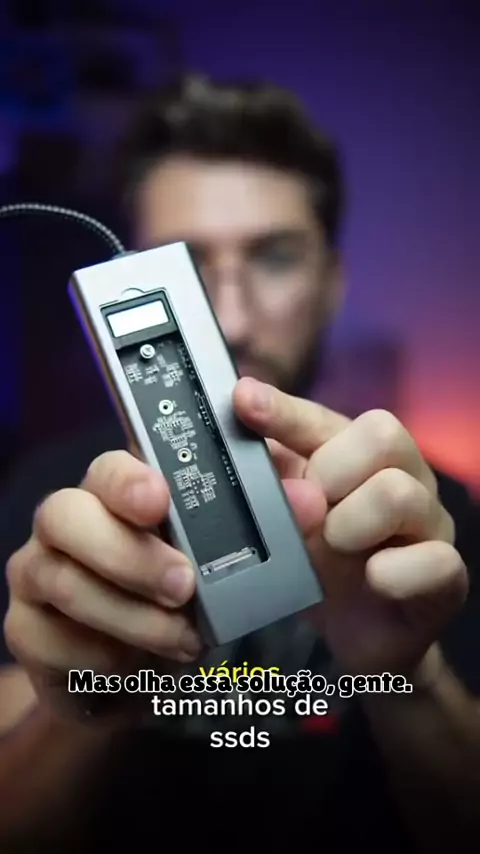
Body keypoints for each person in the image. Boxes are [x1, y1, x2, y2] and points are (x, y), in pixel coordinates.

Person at [1, 75, 479, 852]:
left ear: (333, 283)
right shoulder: (51, 499)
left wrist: (406, 675)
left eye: (275, 258)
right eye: (184, 265)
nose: (229, 318)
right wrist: (90, 703)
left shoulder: (431, 515)